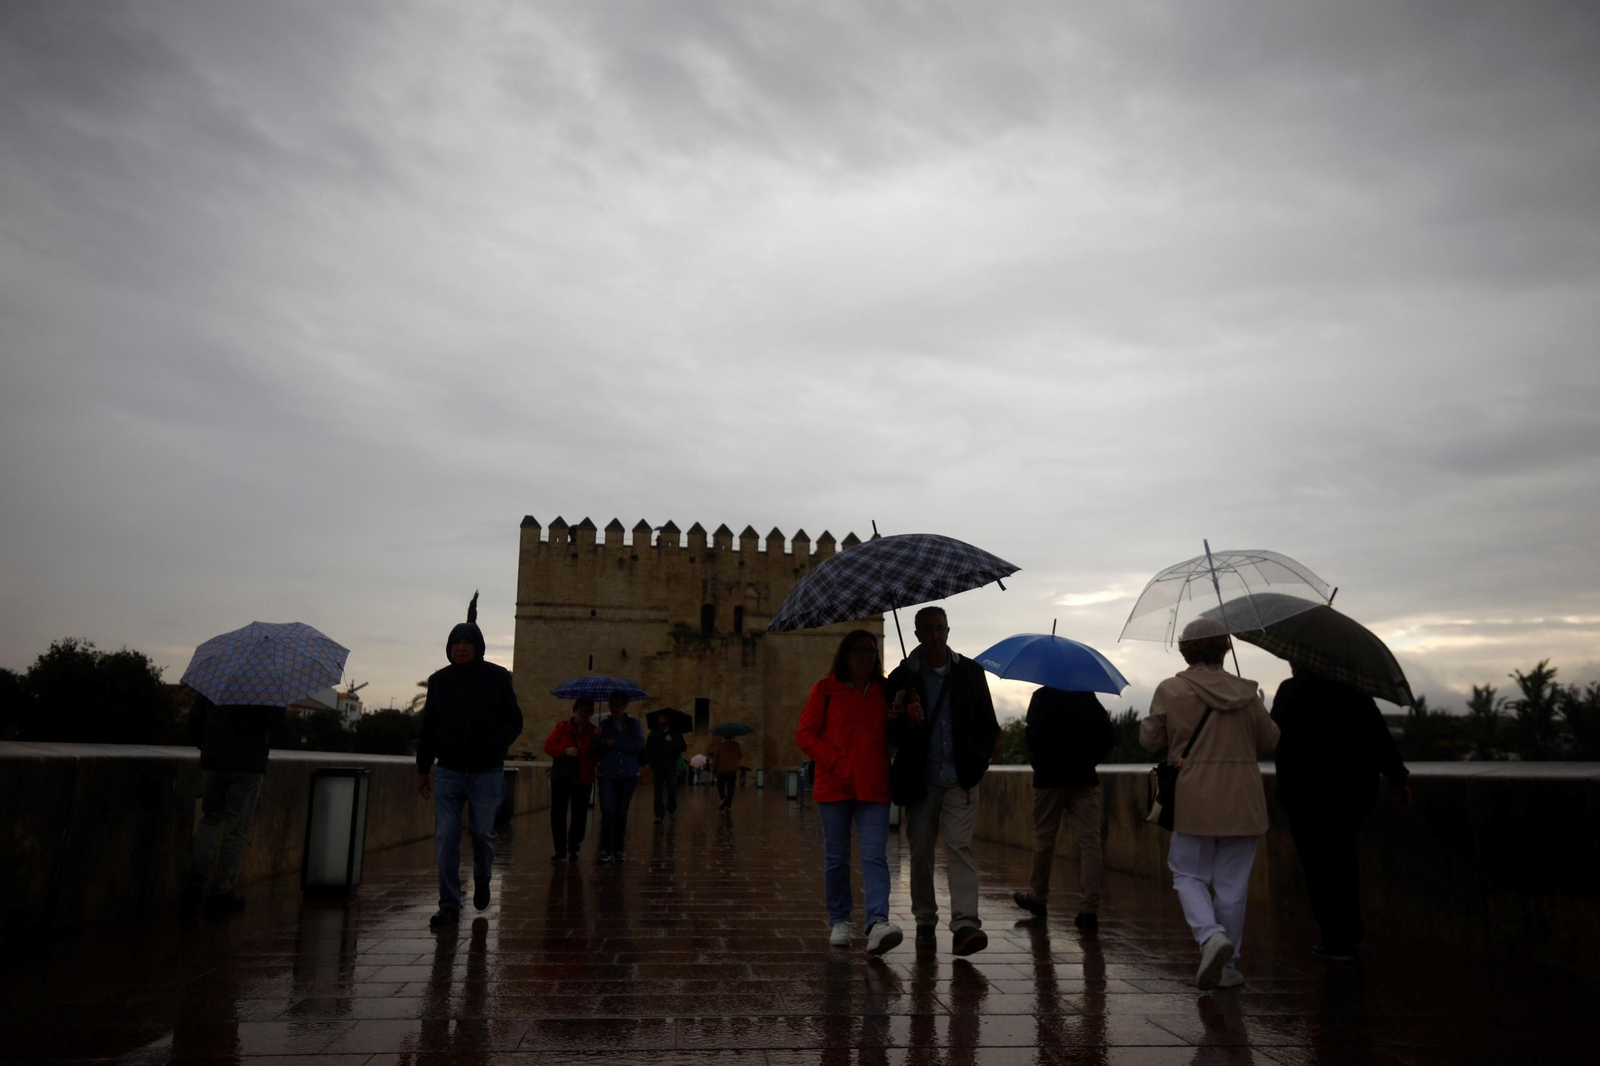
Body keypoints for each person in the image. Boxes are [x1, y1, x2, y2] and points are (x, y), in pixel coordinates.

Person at [1140, 617, 1280, 990]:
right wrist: (1259, 705)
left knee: (1188, 874)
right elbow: (1270, 743)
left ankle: (1210, 936)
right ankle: (1229, 967)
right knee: (1233, 887)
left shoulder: (1171, 689)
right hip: (1245, 800)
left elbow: (1151, 741)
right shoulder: (1247, 694)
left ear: (1185, 650)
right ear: (1225, 649)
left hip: (1194, 797)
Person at [1271, 662, 1413, 962]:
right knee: (1343, 858)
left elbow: (1272, 738)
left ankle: (1332, 935)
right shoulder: (1355, 691)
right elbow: (1379, 738)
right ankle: (1348, 932)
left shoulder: (1290, 690)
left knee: (1316, 865)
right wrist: (1398, 778)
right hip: (1350, 791)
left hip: (1303, 792)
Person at [885, 606, 1000, 956]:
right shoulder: (902, 677)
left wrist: (976, 765)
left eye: (940, 628)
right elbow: (888, 734)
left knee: (960, 849)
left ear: (948, 631)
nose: (935, 635)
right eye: (928, 630)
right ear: (917, 635)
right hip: (921, 780)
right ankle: (925, 920)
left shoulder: (970, 672)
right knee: (921, 854)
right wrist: (904, 718)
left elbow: (987, 725)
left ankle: (965, 923)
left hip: (959, 779)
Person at [416, 593, 525, 928]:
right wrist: (423, 769)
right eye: (455, 642)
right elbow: (429, 728)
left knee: (481, 832)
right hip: (448, 771)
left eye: (467, 642)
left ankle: (482, 875)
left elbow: (514, 721)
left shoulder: (497, 678)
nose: (461, 647)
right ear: (449, 648)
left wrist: (496, 743)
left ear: (478, 647)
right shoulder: (438, 682)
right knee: (446, 839)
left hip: (487, 772)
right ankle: (449, 905)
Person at [797, 629, 903, 956]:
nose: (867, 657)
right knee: (836, 857)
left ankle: (877, 922)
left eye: (872, 651)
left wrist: (901, 718)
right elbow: (805, 735)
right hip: (835, 785)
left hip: (873, 784)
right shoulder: (826, 689)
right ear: (846, 654)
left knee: (874, 854)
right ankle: (840, 920)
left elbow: (897, 738)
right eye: (860, 651)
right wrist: (836, 759)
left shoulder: (886, 692)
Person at [1013, 686, 1118, 930]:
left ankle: (1037, 897)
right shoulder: (1087, 695)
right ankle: (1089, 909)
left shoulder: (1041, 697)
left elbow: (1032, 738)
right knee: (1090, 842)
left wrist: (1042, 762)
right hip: (1083, 777)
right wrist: (1089, 759)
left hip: (1049, 779)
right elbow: (1109, 735)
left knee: (1043, 840)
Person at [182, 692, 286, 913]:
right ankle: (220, 890)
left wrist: (210, 748)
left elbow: (193, 724)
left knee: (210, 818)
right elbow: (276, 720)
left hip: (214, 762)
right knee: (236, 829)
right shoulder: (265, 685)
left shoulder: (217, 681)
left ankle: (196, 878)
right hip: (248, 765)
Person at [543, 698, 599, 861]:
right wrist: (564, 750)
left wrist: (598, 740)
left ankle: (574, 846)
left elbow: (597, 754)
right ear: (575, 711)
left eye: (587, 711)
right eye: (581, 710)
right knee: (558, 814)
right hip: (563, 777)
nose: (584, 714)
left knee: (579, 815)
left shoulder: (594, 731)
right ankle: (560, 850)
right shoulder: (563, 727)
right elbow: (548, 746)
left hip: (583, 778)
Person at [592, 692, 644, 862]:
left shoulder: (633, 724)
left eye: (617, 704)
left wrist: (615, 743)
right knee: (607, 810)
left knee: (621, 812)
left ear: (624, 706)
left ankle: (619, 847)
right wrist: (597, 738)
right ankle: (605, 848)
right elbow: (595, 751)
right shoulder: (603, 725)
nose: (613, 707)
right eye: (611, 704)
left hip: (628, 773)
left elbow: (638, 745)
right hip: (607, 772)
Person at [645, 713, 687, 824]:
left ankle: (672, 811)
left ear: (667, 719)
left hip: (671, 766)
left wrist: (672, 741)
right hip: (658, 766)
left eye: (663, 718)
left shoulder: (675, 733)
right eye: (659, 718)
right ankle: (658, 815)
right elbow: (647, 749)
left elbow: (683, 746)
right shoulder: (654, 733)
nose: (660, 720)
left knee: (672, 789)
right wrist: (652, 763)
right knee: (658, 792)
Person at [714, 735, 743, 812]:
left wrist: (714, 770)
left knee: (720, 785)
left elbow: (716, 759)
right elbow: (740, 756)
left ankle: (723, 798)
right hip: (732, 770)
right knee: (731, 788)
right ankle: (728, 805)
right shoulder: (736, 746)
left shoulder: (720, 746)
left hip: (722, 769)